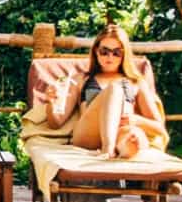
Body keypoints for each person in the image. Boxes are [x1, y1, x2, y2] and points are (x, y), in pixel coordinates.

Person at [44, 23, 168, 159]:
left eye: (117, 53)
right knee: (115, 89)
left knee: (135, 135)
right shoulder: (81, 79)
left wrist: (135, 119)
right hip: (88, 134)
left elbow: (159, 128)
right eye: (104, 51)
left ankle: (125, 149)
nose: (110, 57)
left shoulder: (136, 82)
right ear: (96, 51)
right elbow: (56, 123)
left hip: (121, 132)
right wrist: (51, 102)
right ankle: (108, 149)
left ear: (124, 54)